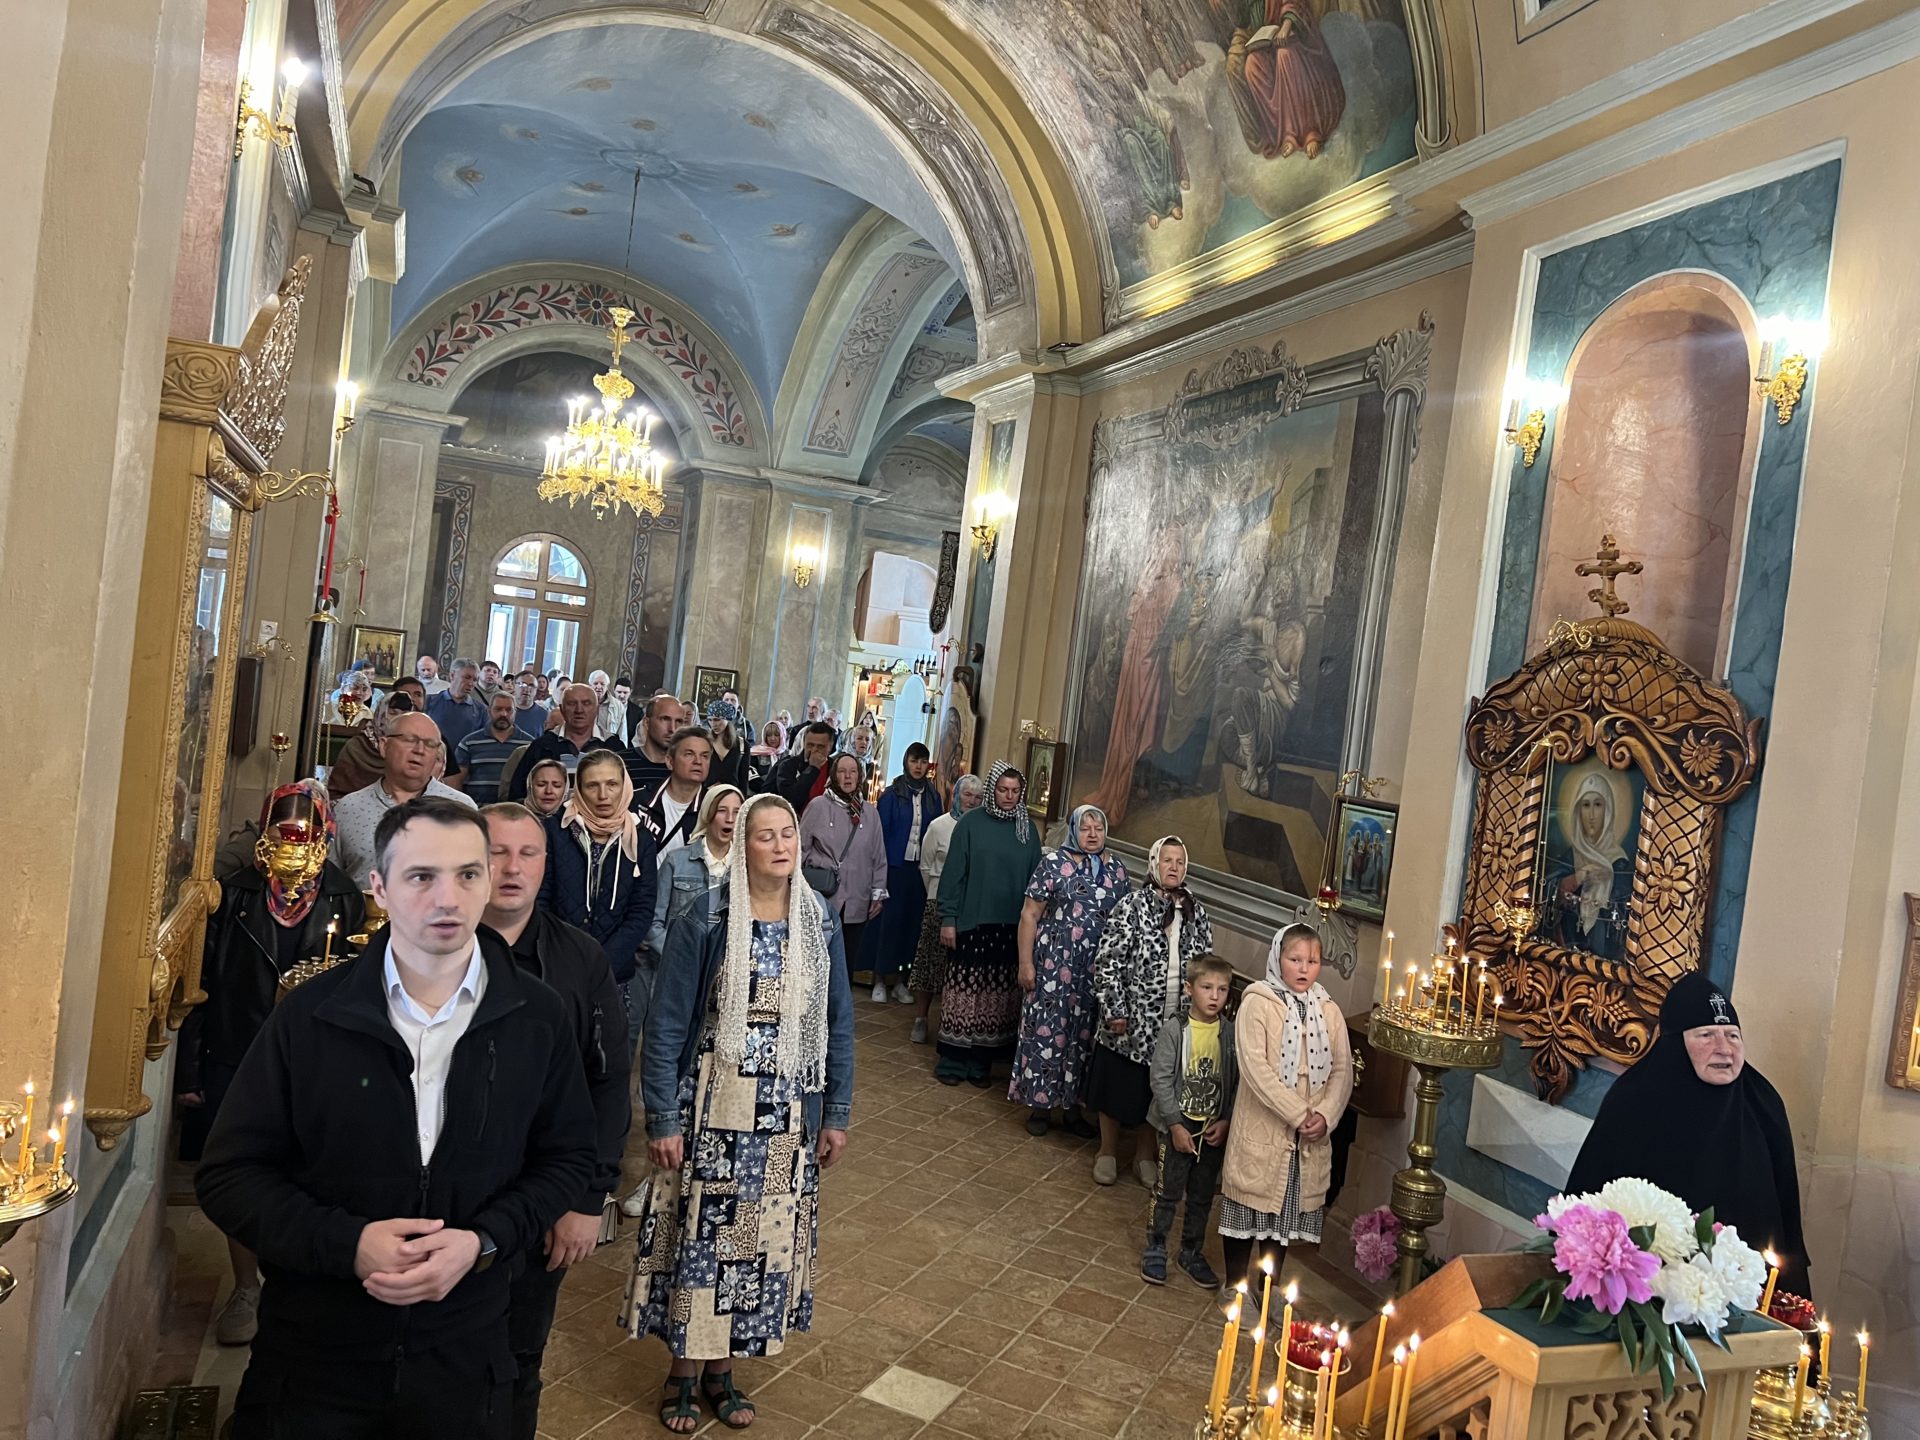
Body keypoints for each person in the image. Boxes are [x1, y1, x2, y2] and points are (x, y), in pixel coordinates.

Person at [196, 798, 595, 1440]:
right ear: (379, 888)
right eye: (421, 876)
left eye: (468, 874)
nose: (448, 898)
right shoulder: (310, 1016)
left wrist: (482, 1242)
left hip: (463, 1355)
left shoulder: (537, 1017)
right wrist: (346, 1244)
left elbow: (567, 1157)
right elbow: (230, 1175)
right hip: (318, 1356)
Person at [622, 793, 853, 1433]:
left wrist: (836, 1111)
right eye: (765, 835)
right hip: (713, 1105)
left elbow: (837, 1024)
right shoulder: (706, 915)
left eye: (788, 834)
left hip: (785, 1112)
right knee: (702, 1241)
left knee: (756, 1247)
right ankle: (682, 1372)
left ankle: (722, 1370)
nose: (780, 846)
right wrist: (663, 1118)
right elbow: (667, 1025)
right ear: (743, 844)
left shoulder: (819, 920)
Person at [177, 781, 366, 1346]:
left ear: (325, 837)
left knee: (308, 1168)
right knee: (242, 1169)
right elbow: (201, 984)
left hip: (315, 1059)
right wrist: (190, 1071)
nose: (294, 846)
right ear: (264, 835)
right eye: (283, 835)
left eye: (306, 836)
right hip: (237, 1047)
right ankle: (245, 1286)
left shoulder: (344, 898)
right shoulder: (235, 895)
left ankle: (301, 1277)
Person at [478, 803, 630, 1440]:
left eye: (528, 854)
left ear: (546, 865)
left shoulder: (580, 958)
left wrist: (588, 1198)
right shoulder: (433, 946)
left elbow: (607, 1082)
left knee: (519, 1358)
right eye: (496, 853)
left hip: (542, 1199)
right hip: (449, 1199)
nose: (512, 868)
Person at [1565, 971, 1810, 1297]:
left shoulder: (1764, 1102)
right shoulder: (1634, 1101)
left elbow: (1786, 1211)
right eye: (1706, 1035)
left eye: (1733, 1035)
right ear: (1675, 1044)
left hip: (1747, 1290)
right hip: (1649, 1293)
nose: (1724, 1049)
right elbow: (1591, 1198)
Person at [1219, 921, 1350, 1290]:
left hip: (1305, 1140)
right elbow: (1255, 1067)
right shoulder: (1258, 1002)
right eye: (1295, 959)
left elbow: (1342, 1070)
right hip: (1264, 1129)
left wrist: (1325, 1115)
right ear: (1278, 958)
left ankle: (1268, 1290)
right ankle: (1235, 1287)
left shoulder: (1329, 1011)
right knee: (1248, 1206)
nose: (1304, 968)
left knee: (1284, 1218)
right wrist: (1299, 1113)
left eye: (1313, 961)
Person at [1090, 836, 1214, 1187]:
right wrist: (1115, 1008)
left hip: (1173, 1022)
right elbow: (1108, 961)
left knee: (1157, 1092)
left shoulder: (1195, 912)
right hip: (1131, 1018)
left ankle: (1144, 1155)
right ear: (1154, 863)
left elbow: (1205, 966)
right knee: (1118, 1086)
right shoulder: (1132, 905)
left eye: (1180, 861)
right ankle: (1107, 1151)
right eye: (1167, 860)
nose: (1173, 867)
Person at [1010, 804, 1128, 1137]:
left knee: (1084, 1036)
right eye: (1086, 828)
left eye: (1098, 829)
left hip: (1096, 971)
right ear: (1074, 830)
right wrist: (1025, 963)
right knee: (1049, 1032)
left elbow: (1124, 922)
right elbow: (1029, 915)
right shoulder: (1053, 863)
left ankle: (1074, 1109)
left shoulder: (1117, 869)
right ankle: (1040, 1107)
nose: (1092, 834)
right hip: (1053, 966)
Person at [934, 762, 1042, 1087]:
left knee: (996, 1000)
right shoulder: (971, 823)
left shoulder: (1027, 830)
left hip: (1010, 927)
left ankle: (980, 1064)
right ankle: (953, 1061)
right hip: (972, 922)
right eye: (1003, 790)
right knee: (963, 994)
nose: (1009, 796)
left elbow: (1036, 882)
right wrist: (948, 918)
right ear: (993, 790)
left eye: (1015, 791)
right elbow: (953, 874)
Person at [539, 750, 658, 1036]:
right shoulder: (555, 831)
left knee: (607, 1054)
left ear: (624, 785)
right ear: (579, 788)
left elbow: (641, 910)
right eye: (592, 785)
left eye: (612, 784)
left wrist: (602, 964)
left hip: (613, 975)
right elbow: (541, 900)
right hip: (558, 969)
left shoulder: (640, 838)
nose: (603, 795)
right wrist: (561, 957)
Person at [1142, 954, 1237, 1288]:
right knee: (1167, 1190)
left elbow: (1235, 1083)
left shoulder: (1230, 1033)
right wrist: (1175, 1125)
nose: (1214, 996)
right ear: (1188, 988)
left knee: (1201, 1194)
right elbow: (1160, 1079)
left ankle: (1191, 1251)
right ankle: (1156, 1246)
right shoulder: (1175, 1029)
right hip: (1178, 1125)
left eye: (1222, 990)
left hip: (1211, 1129)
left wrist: (1225, 1120)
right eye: (1207, 987)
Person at [331, 710, 475, 885]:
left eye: (430, 744)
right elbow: (330, 883)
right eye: (409, 740)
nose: (419, 750)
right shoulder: (348, 809)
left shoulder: (462, 809)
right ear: (384, 746)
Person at [800, 752, 888, 990]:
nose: (848, 777)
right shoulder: (818, 806)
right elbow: (800, 848)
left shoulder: (870, 813)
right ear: (834, 775)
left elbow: (878, 856)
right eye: (842, 771)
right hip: (822, 897)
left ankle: (840, 1009)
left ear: (860, 776)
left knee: (845, 964)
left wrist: (878, 893)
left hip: (857, 899)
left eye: (853, 771)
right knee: (817, 963)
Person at [908, 774, 983, 1045]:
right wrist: (937, 895)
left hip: (969, 905)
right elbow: (926, 865)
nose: (972, 801)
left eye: (978, 797)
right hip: (938, 901)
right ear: (956, 796)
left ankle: (952, 1020)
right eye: (967, 795)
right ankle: (921, 1018)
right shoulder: (939, 826)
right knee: (930, 962)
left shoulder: (982, 829)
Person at [873, 744, 939, 1006]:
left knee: (911, 925)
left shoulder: (933, 796)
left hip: (919, 868)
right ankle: (880, 978)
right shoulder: (892, 794)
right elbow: (880, 834)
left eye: (923, 762)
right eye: (914, 761)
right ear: (906, 762)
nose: (918, 766)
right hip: (895, 866)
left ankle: (901, 980)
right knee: (889, 923)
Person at [649, 786, 744, 960]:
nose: (730, 819)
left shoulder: (746, 867)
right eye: (721, 810)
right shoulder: (676, 861)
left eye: (737, 812)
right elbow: (653, 922)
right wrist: (677, 957)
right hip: (677, 964)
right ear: (707, 813)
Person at [505, 683, 602, 801]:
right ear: (562, 709)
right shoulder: (540, 747)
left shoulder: (613, 746)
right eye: (572, 703)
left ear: (597, 709)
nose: (579, 710)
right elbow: (518, 795)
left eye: (586, 703)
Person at [642, 726, 713, 865]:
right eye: (689, 754)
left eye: (705, 756)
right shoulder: (640, 802)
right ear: (670, 761)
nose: (698, 761)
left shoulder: (713, 809)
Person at [455, 692, 537, 804]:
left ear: (515, 712)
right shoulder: (469, 743)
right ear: (489, 711)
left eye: (509, 710)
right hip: (477, 810)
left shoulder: (529, 744)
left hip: (515, 810)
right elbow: (455, 782)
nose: (503, 714)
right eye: (498, 709)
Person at [325, 692, 410, 800]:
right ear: (381, 713)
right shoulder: (356, 747)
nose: (399, 719)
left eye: (405, 715)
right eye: (393, 713)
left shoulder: (411, 750)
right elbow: (336, 792)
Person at [427, 658, 490, 757]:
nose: (471, 683)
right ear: (452, 675)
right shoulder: (429, 702)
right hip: (433, 759)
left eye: (475, 680)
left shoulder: (481, 710)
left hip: (464, 763)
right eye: (467, 677)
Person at [768, 721, 833, 812]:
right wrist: (813, 768)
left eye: (820, 746)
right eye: (810, 745)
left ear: (830, 746)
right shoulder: (787, 765)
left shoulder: (835, 767)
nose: (814, 750)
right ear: (804, 743)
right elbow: (791, 801)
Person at [622, 692, 678, 794]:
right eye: (665, 719)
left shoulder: (682, 768)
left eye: (679, 721)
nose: (672, 729)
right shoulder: (620, 763)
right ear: (647, 723)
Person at [702, 699, 753, 794]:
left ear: (727, 719)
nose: (713, 724)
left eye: (717, 719)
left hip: (732, 796)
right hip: (706, 795)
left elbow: (743, 780)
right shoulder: (705, 743)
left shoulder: (742, 745)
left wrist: (742, 799)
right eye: (710, 720)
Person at [511, 670, 546, 735]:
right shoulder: (504, 711)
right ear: (513, 686)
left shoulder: (544, 716)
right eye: (522, 684)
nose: (527, 689)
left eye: (532, 686)